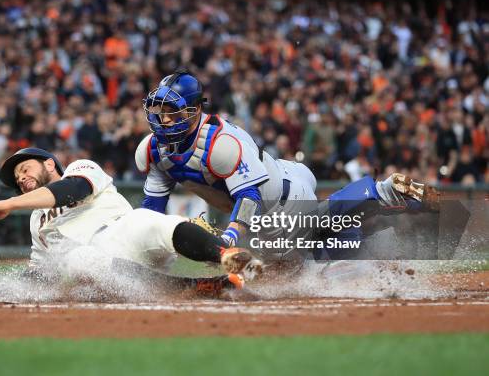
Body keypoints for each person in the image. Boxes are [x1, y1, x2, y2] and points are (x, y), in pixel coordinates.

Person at [137, 69, 440, 261]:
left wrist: (228, 237)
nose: (163, 120)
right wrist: (151, 243)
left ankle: (381, 193)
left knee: (309, 259)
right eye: (159, 112)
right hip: (276, 177)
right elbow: (152, 208)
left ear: (195, 109)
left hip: (279, 203)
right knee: (331, 244)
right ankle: (377, 205)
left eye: (172, 112)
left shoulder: (220, 142)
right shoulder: (152, 149)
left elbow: (249, 198)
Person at [0, 148, 261, 298]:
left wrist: (8, 203)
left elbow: (71, 191)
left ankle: (226, 256)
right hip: (102, 267)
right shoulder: (35, 220)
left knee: (150, 220)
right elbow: (42, 275)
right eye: (16, 178)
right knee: (77, 259)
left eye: (25, 168)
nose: (21, 177)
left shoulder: (80, 168)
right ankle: (200, 287)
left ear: (49, 164)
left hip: (124, 231)